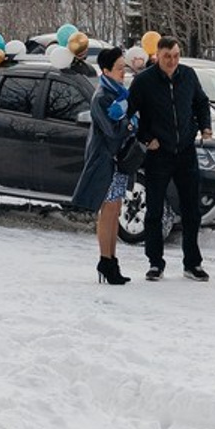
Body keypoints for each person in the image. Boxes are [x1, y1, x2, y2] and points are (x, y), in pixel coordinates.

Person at [127, 36, 213, 281]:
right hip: (158, 153)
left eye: (176, 56)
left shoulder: (188, 75)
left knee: (191, 211)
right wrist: (145, 138)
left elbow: (201, 102)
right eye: (167, 57)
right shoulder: (144, 81)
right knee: (154, 211)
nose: (173, 61)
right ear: (157, 56)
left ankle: (192, 263)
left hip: (185, 151)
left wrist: (204, 126)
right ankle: (155, 263)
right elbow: (131, 115)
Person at [71, 46, 138, 285]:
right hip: (105, 161)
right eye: (119, 68)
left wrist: (129, 117)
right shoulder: (102, 97)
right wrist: (130, 123)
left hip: (118, 162)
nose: (123, 73)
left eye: (124, 68)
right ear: (106, 71)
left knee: (115, 210)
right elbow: (113, 132)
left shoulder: (120, 94)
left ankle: (112, 261)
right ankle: (105, 260)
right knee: (107, 212)